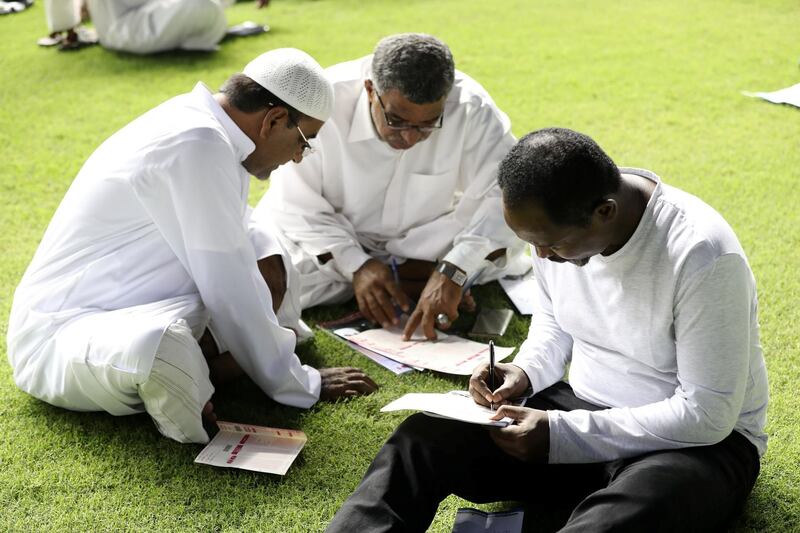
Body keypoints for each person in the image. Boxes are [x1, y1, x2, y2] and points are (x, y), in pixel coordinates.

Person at [325, 128, 769, 532]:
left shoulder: (701, 255)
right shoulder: (554, 222)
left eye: (551, 244)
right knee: (421, 439)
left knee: (628, 515)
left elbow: (706, 415)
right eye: (530, 242)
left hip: (694, 445)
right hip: (580, 408)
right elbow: (555, 322)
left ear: (604, 211)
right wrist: (526, 373)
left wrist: (562, 436)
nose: (539, 254)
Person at [7, 48, 377, 445]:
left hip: (139, 294)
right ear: (273, 120)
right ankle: (200, 374)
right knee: (162, 347)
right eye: (305, 141)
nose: (300, 157)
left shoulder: (208, 131)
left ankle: (211, 369)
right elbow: (230, 286)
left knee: (270, 254)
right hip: (66, 332)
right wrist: (302, 383)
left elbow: (235, 250)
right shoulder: (197, 141)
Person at [250, 33, 528, 341]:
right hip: (335, 235)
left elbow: (503, 195)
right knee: (272, 278)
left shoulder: (472, 107)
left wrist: (454, 269)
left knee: (502, 239)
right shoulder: (325, 102)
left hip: (426, 239)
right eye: (397, 121)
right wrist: (358, 265)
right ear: (370, 90)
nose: (410, 138)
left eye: (427, 125)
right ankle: (410, 278)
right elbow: (296, 205)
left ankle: (423, 275)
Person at [41, 0, 269, 53]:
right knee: (202, 6)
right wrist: (65, 26)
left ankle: (203, 35)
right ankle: (203, 36)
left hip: (153, 9)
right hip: (123, 28)